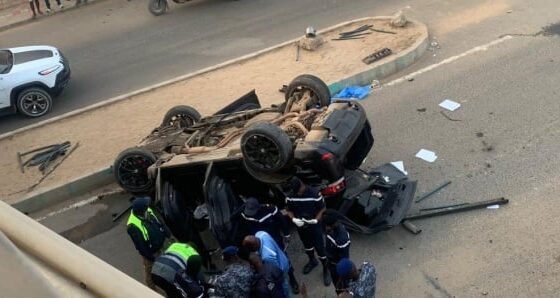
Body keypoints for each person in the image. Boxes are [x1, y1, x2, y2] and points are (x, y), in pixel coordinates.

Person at [237, 197, 299, 293]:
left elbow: (281, 220)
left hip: (274, 239)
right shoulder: (245, 213)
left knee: (282, 258)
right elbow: (244, 227)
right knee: (264, 262)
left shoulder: (271, 209)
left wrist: (287, 234)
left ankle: (291, 278)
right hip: (257, 241)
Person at [282, 177, 330, 286]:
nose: (297, 194)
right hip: (301, 225)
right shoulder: (290, 195)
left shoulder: (314, 194)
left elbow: (323, 208)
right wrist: (293, 219)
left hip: (314, 224)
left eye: (298, 191)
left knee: (320, 248)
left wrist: (316, 220)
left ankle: (326, 268)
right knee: (307, 246)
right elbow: (288, 210)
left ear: (302, 185)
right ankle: (312, 261)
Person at [127, 196, 170, 289]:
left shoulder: (148, 210)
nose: (148, 206)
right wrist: (150, 257)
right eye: (146, 206)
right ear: (141, 211)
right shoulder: (132, 226)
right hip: (151, 252)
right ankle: (151, 290)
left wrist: (167, 233)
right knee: (150, 272)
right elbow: (140, 246)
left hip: (161, 243)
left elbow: (159, 222)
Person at [243, 232, 291, 297]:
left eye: (251, 249)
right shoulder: (261, 234)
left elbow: (275, 272)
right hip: (283, 258)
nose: (252, 251)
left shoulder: (267, 257)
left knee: (284, 291)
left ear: (254, 246)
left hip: (281, 270)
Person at [323, 211, 351, 292]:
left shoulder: (341, 239)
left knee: (341, 288)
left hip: (338, 266)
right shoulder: (331, 228)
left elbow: (344, 261)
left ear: (335, 224)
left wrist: (340, 279)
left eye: (328, 226)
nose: (326, 228)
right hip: (331, 261)